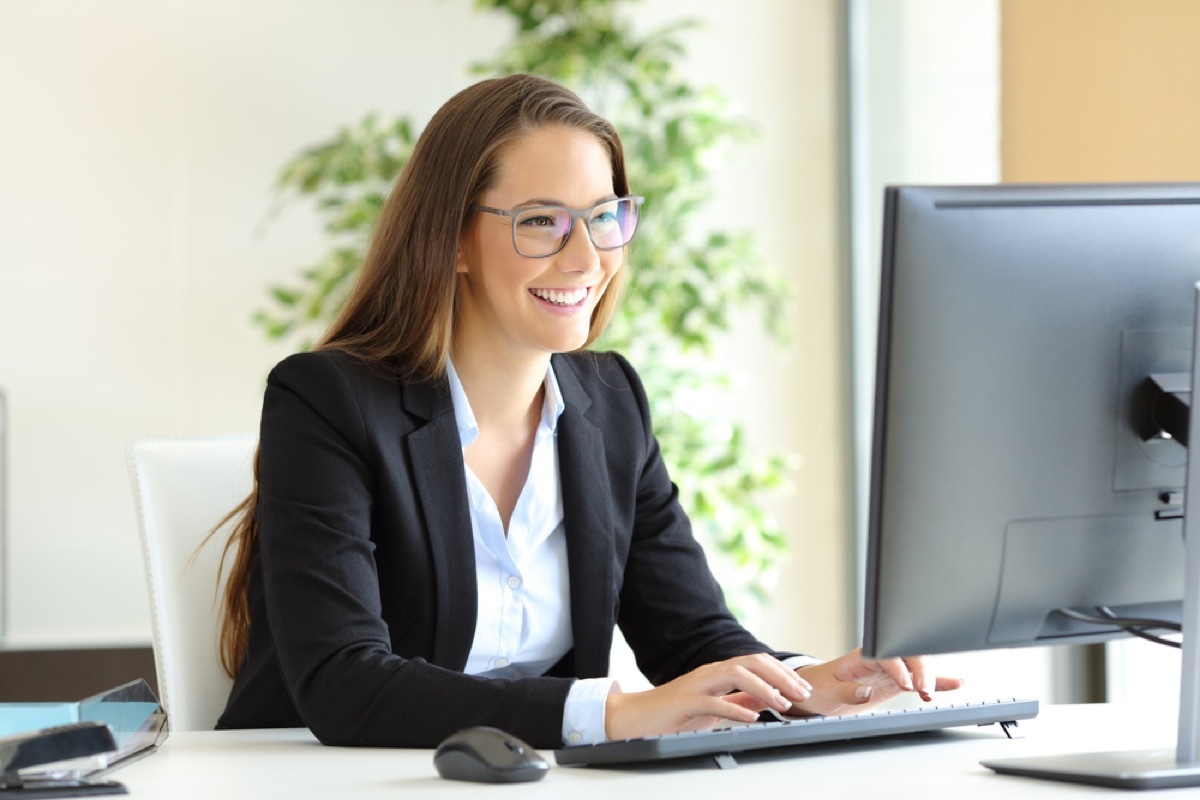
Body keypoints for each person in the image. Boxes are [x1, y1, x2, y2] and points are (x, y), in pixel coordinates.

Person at [211, 73, 962, 750]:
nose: (586, 259)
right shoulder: (327, 401)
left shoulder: (611, 404)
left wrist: (811, 685)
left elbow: (692, 638)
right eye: (541, 221)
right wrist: (609, 714)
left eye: (604, 217)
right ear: (455, 240)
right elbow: (348, 685)